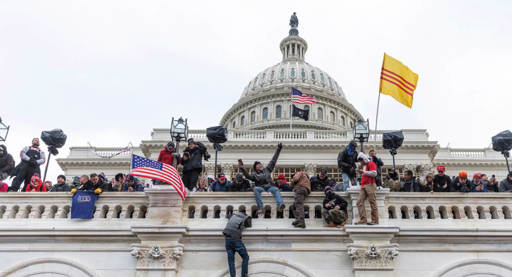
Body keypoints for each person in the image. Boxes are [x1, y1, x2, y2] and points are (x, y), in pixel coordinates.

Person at [239, 143, 284, 214]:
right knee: (256, 189)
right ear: (255, 168)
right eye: (258, 165)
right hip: (261, 188)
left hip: (270, 187)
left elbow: (273, 160)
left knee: (276, 189)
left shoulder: (267, 169)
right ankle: (260, 207)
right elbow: (248, 176)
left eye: (260, 164)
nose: (260, 165)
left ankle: (280, 205)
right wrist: (242, 168)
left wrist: (278, 149)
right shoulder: (254, 174)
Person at [223, 211, 252, 277]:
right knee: (245, 257)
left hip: (227, 239)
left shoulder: (233, 215)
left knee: (231, 261)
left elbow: (227, 216)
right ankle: (244, 275)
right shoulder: (245, 217)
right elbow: (249, 225)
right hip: (236, 240)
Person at [355, 153, 379, 225]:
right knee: (359, 201)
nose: (360, 162)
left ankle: (375, 220)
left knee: (372, 202)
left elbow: (374, 173)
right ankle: (363, 220)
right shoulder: (364, 166)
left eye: (361, 160)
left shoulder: (371, 163)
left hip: (370, 184)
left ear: (364, 159)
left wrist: (363, 172)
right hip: (363, 186)